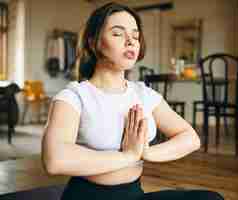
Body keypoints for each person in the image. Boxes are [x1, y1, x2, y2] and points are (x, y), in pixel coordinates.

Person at [41, 2, 224, 200]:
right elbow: (54, 159)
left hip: (134, 195)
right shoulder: (74, 96)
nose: (131, 41)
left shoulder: (143, 94)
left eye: (135, 36)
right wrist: (126, 156)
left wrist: (144, 152)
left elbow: (190, 138)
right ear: (94, 42)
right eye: (118, 33)